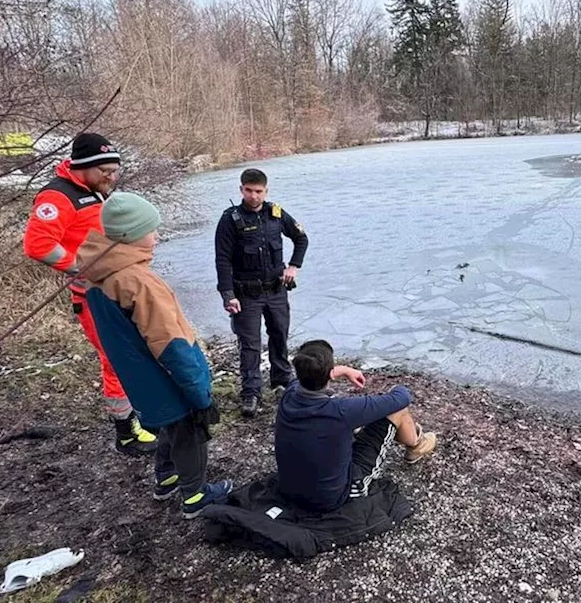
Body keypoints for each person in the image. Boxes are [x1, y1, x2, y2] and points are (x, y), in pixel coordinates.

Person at [78, 193, 234, 518]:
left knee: (167, 426)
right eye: (152, 230)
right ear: (130, 235)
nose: (158, 236)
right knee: (191, 432)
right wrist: (200, 394)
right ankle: (196, 496)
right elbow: (171, 345)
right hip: (166, 378)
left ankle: (166, 477)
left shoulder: (97, 277)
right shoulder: (138, 282)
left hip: (139, 380)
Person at [22, 132, 158, 457]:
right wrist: (80, 270)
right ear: (83, 167)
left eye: (116, 172)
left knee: (133, 353)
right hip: (93, 297)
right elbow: (37, 245)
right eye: (106, 172)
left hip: (114, 289)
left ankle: (140, 414)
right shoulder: (57, 198)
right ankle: (126, 432)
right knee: (115, 360)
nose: (112, 179)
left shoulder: (93, 190)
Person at [273, 340, 438, 514]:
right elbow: (401, 397)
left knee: (345, 428)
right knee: (398, 410)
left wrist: (343, 370)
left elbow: (302, 380)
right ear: (329, 373)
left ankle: (415, 441)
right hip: (333, 497)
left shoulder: (289, 394)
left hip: (289, 489)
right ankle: (416, 445)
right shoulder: (341, 411)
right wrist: (397, 386)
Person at [214, 168, 309, 419]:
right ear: (241, 190)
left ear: (266, 191)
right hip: (246, 294)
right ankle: (251, 391)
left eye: (258, 191)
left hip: (276, 290)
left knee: (279, 335)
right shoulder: (230, 219)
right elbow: (222, 259)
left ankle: (281, 379)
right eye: (248, 190)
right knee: (250, 344)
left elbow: (301, 239)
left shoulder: (275, 214)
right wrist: (227, 294)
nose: (253, 196)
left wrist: (293, 266)